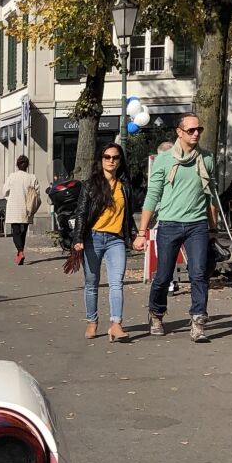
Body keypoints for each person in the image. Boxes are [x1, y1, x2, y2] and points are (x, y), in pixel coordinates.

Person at [137, 114, 218, 342]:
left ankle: (198, 320)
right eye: (191, 130)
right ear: (179, 132)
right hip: (169, 224)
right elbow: (152, 196)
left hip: (197, 225)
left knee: (199, 273)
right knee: (163, 275)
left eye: (198, 130)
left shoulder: (207, 159)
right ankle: (156, 313)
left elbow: (211, 195)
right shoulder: (163, 161)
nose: (196, 134)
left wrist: (214, 228)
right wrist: (142, 232)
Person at [73, 141, 138, 342]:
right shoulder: (90, 184)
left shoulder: (124, 186)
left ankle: (116, 323)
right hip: (93, 238)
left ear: (120, 161)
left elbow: (128, 215)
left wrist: (136, 235)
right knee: (91, 283)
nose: (111, 161)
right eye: (107, 157)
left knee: (116, 282)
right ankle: (92, 321)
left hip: (115, 240)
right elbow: (82, 212)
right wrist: (78, 238)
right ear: (100, 160)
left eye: (115, 157)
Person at [2, 153, 41, 264]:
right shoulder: (32, 177)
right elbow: (37, 194)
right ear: (27, 165)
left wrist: (10, 197)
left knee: (16, 231)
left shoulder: (12, 176)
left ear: (17, 165)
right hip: (27, 208)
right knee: (23, 231)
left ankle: (20, 251)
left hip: (14, 207)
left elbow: (4, 191)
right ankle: (20, 252)